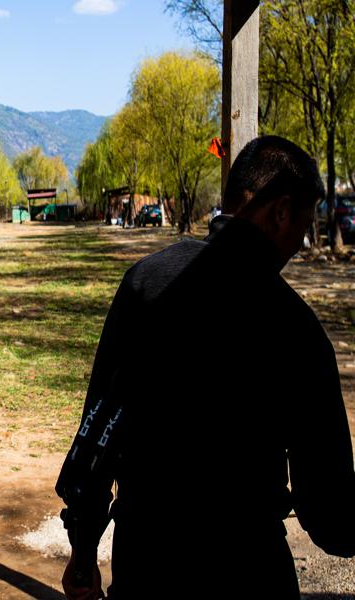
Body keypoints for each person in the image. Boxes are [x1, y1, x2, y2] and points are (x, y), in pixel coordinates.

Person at [57, 135, 355, 600]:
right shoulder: (294, 328)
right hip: (247, 571)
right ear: (279, 213)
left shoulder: (144, 282)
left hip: (146, 563)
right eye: (304, 221)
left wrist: (83, 549)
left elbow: (98, 430)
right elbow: (331, 517)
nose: (302, 241)